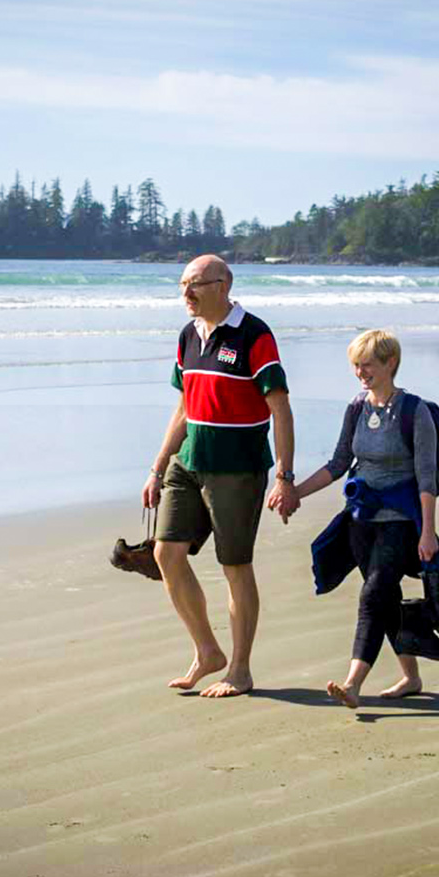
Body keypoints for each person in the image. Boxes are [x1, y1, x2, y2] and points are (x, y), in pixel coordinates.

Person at [281, 329, 439, 709]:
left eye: (367, 365)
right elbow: (338, 463)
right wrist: (294, 493)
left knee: (372, 594)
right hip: (361, 520)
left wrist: (428, 532)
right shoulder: (356, 407)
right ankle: (411, 677)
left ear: (390, 363)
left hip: (401, 520)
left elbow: (427, 477)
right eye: (355, 365)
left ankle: (352, 683)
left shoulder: (416, 412)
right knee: (385, 597)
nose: (360, 372)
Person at [142, 255, 298, 698]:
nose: (186, 294)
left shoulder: (255, 334)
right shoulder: (187, 336)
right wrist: (157, 467)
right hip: (187, 462)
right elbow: (184, 407)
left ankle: (241, 670)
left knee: (234, 566)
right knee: (166, 554)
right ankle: (207, 652)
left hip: (237, 469)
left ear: (223, 285)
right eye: (182, 286)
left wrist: (284, 476)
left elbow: (280, 409)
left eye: (195, 284)